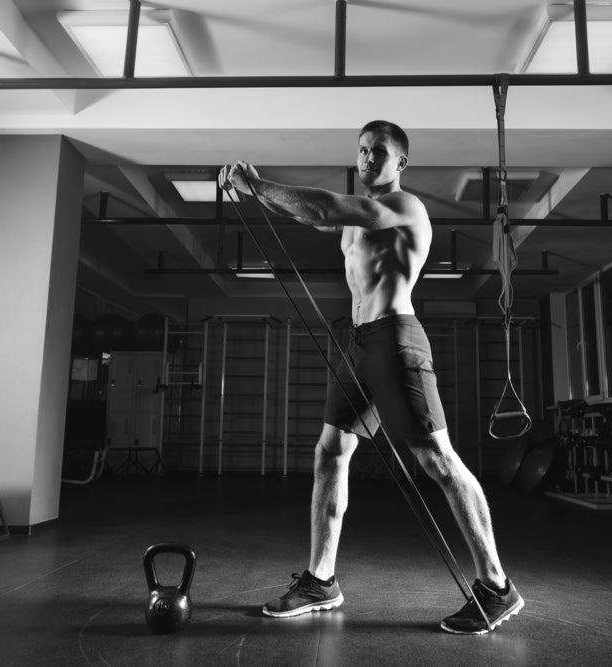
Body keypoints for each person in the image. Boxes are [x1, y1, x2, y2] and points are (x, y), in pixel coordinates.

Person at [219, 120, 523, 635]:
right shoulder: (354, 220)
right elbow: (313, 216)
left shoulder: (404, 208)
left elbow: (321, 207)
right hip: (359, 343)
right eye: (361, 151)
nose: (366, 159)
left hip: (397, 340)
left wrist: (255, 182)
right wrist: (256, 194)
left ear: (400, 162)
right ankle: (321, 580)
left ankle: (496, 587)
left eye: (377, 152)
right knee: (331, 451)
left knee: (437, 460)